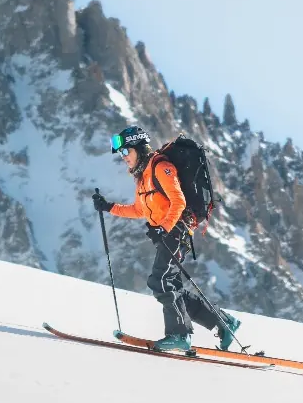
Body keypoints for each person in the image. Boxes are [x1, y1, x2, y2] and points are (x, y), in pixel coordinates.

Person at [93, 125, 240, 354]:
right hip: (166, 233)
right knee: (172, 286)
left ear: (138, 148)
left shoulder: (161, 167)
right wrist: (108, 207)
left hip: (176, 230)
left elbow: (178, 202)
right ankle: (224, 323)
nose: (123, 158)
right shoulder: (142, 178)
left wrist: (164, 228)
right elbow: (140, 210)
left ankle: (179, 334)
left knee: (159, 280)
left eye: (125, 152)